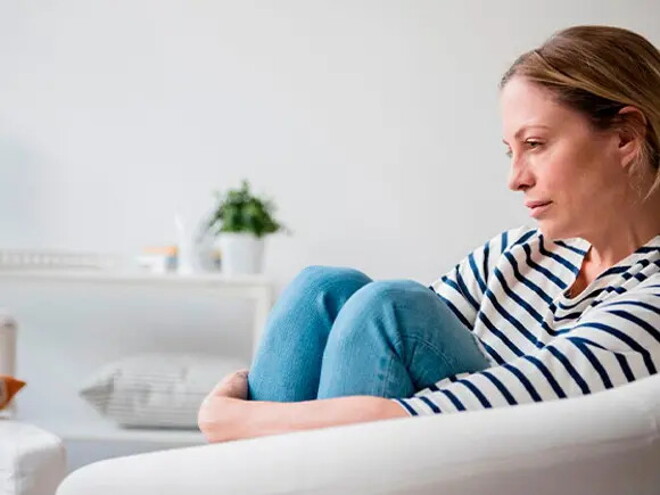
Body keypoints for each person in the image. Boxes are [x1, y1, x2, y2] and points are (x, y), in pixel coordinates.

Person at [198, 25, 660, 443]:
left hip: (497, 466)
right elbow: (382, 359)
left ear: (624, 137)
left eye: (535, 144)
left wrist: (231, 419)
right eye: (511, 152)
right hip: (425, 450)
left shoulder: (651, 297)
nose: (515, 179)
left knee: (390, 308)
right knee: (323, 288)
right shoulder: (515, 253)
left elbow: (465, 410)